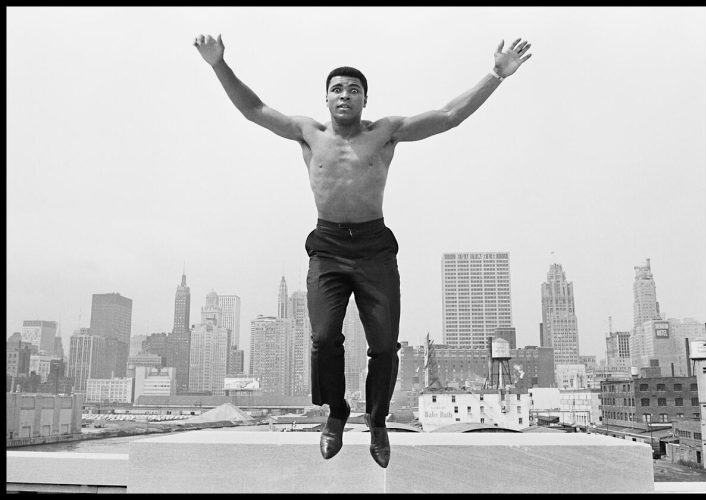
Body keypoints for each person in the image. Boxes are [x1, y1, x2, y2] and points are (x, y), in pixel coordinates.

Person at [193, 33, 532, 468]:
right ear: (327, 98)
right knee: (322, 338)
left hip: (374, 248)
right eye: (337, 89)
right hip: (328, 248)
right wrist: (219, 64)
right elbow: (254, 109)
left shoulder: (384, 133)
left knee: (385, 347)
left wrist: (496, 75)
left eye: (354, 90)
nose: (345, 95)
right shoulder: (308, 133)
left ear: (365, 100)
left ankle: (377, 420)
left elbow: (448, 116)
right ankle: (336, 414)